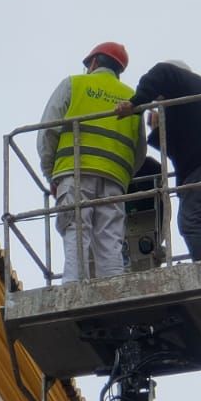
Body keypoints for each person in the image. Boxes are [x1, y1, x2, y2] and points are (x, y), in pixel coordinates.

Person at [114, 59, 201, 261]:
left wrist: (136, 103)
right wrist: (159, 130)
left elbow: (162, 71)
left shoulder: (176, 78)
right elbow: (184, 147)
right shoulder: (197, 103)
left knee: (193, 221)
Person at [37, 41, 144, 281]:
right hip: (115, 180)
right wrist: (121, 173)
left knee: (76, 229)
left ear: (93, 62)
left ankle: (73, 287)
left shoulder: (74, 84)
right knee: (110, 237)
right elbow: (139, 151)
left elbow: (47, 132)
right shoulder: (133, 99)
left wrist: (50, 174)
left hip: (74, 173)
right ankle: (114, 288)